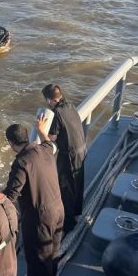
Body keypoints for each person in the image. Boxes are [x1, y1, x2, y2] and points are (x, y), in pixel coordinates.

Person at [3, 116, 64, 276]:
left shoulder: (21, 162)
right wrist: (41, 130)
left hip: (40, 216)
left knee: (37, 256)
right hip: (58, 208)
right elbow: (51, 144)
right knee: (52, 250)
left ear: (12, 143)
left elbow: (11, 194)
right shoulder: (45, 150)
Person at [40, 84, 87, 233]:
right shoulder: (70, 105)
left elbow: (51, 137)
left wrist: (41, 130)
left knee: (66, 187)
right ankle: (78, 212)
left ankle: (68, 223)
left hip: (70, 156)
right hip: (81, 151)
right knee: (78, 183)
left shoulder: (57, 113)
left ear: (48, 100)